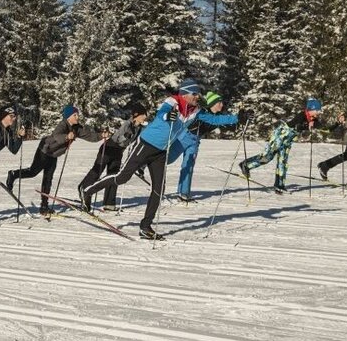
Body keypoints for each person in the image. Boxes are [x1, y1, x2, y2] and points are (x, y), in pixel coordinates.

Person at [80, 78, 203, 240]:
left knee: (159, 189)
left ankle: (146, 227)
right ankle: (87, 191)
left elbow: (211, 119)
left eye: (198, 94)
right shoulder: (172, 102)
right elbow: (162, 113)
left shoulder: (194, 111)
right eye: (195, 94)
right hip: (146, 145)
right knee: (122, 177)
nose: (197, 97)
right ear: (185, 93)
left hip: (160, 151)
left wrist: (231, 119)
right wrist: (168, 115)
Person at [7, 105, 105, 215]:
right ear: (68, 117)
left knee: (48, 180)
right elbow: (57, 136)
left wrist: (101, 135)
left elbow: (90, 136)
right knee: (33, 172)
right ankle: (13, 174)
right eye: (75, 115)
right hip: (44, 150)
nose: (77, 117)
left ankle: (44, 207)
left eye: (77, 115)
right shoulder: (62, 125)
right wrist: (67, 137)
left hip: (54, 155)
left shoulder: (76, 127)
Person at [239, 97, 345, 193]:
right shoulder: (301, 115)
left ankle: (279, 185)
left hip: (287, 141)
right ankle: (246, 165)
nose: (318, 112)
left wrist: (337, 123)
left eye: (319, 110)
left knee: (283, 162)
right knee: (267, 157)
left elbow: (326, 129)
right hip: (279, 136)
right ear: (310, 109)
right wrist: (306, 125)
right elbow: (295, 125)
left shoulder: (314, 120)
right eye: (316, 110)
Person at [77, 101, 148, 212]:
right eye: (143, 115)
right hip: (109, 147)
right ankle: (84, 188)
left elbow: (134, 143)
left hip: (119, 152)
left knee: (113, 176)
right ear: (136, 115)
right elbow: (117, 137)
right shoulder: (127, 124)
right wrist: (126, 136)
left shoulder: (139, 128)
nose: (145, 117)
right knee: (98, 170)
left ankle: (109, 203)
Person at [174, 91, 242, 201]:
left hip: (195, 141)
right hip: (184, 136)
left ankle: (183, 193)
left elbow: (226, 122)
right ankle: (143, 162)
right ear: (213, 104)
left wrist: (240, 118)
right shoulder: (203, 112)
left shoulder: (218, 115)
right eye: (219, 102)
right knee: (167, 158)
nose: (222, 105)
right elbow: (216, 120)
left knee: (188, 165)